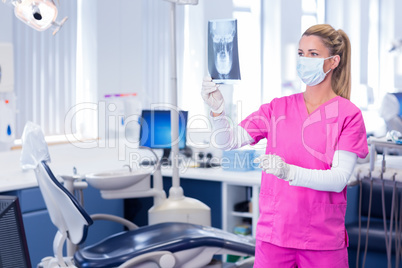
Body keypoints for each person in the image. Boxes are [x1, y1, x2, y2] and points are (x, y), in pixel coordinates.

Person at [201, 24, 369, 268]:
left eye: (313, 54)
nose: (304, 60)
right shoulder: (277, 108)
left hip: (322, 239)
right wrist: (217, 110)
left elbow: (339, 178)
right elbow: (227, 140)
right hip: (275, 235)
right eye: (301, 54)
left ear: (333, 62)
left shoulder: (348, 115)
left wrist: (288, 172)